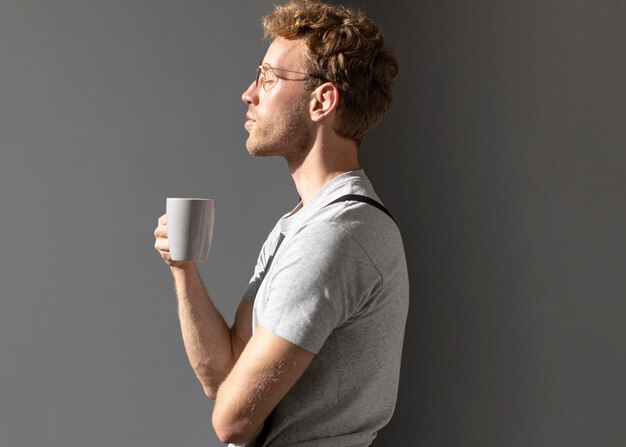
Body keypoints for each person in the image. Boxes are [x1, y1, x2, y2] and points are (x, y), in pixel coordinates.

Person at [154, 0, 409, 445]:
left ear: (322, 100)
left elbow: (231, 421)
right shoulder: (301, 222)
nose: (249, 93)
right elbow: (223, 374)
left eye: (268, 78)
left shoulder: (338, 234)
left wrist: (236, 401)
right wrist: (184, 270)